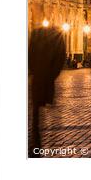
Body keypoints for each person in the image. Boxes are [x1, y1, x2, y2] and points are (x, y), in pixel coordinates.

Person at [28, 27, 66, 156]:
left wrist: (35, 72)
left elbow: (30, 56)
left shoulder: (36, 34)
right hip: (43, 80)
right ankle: (36, 143)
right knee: (37, 112)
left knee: (36, 112)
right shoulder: (55, 38)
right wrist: (51, 76)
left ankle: (35, 144)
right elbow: (60, 59)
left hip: (39, 80)